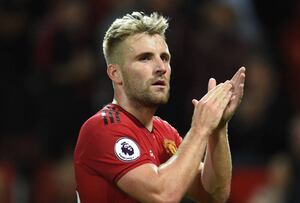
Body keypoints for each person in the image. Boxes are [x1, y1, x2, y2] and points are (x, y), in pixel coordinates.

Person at [73, 11, 246, 203]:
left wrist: (218, 128)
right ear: (115, 73)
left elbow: (214, 194)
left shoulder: (165, 132)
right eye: (145, 58)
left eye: (164, 58)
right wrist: (201, 128)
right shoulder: (101, 128)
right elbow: (162, 195)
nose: (161, 67)